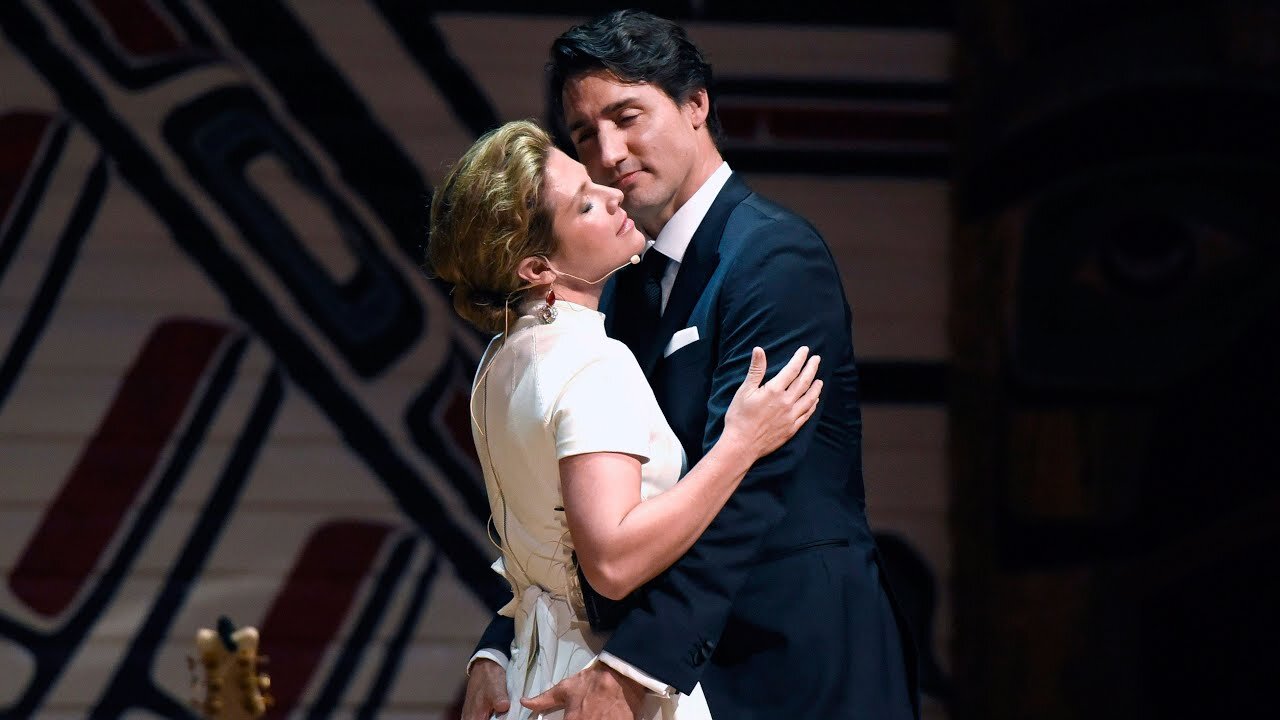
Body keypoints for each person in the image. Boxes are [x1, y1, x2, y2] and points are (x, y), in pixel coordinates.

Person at [462, 10, 920, 720]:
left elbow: (750, 493)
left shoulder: (774, 259)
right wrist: (504, 640)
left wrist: (632, 668)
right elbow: (568, 498)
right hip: (684, 668)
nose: (608, 152)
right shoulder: (614, 283)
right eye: (585, 134)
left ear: (696, 104)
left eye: (627, 116)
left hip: (794, 665)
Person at [428, 119, 823, 720]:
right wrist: (739, 444)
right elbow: (611, 563)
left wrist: (492, 651)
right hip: (600, 687)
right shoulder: (593, 362)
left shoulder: (498, 359)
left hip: (532, 681)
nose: (613, 193)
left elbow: (537, 547)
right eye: (585, 204)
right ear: (536, 269)